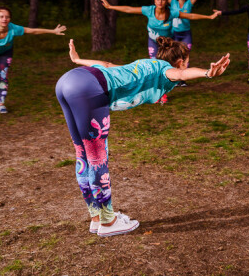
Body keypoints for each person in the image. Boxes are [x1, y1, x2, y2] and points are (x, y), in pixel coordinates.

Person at [56, 37, 229, 237]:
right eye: (186, 61)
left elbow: (107, 65)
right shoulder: (164, 69)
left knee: (83, 155)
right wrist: (207, 73)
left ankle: (97, 218)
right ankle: (109, 222)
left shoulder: (145, 64)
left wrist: (78, 60)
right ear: (181, 60)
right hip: (89, 88)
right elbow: (180, 73)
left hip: (68, 81)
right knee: (97, 159)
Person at [99, 0, 219, 103]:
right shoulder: (149, 10)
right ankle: (159, 95)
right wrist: (110, 7)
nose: (160, 2)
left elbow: (190, 16)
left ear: (166, 1)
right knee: (155, 67)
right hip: (153, 42)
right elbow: (130, 9)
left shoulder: (172, 12)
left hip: (167, 46)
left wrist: (209, 17)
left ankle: (166, 87)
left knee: (168, 68)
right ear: (154, 1)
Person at [148, 0, 212, 52]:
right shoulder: (173, 2)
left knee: (185, 55)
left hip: (186, 33)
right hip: (174, 34)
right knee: (174, 56)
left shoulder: (189, 3)